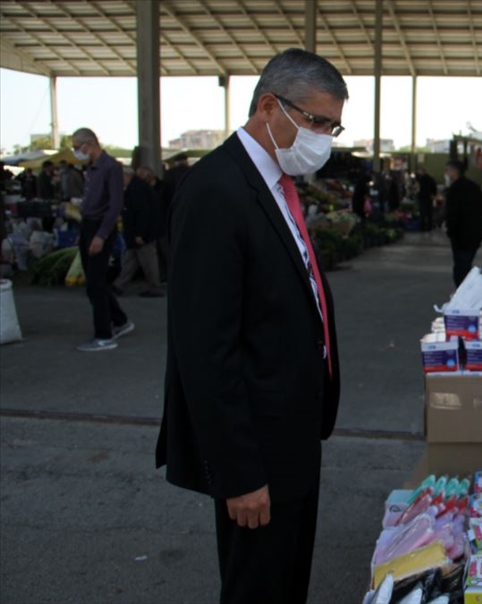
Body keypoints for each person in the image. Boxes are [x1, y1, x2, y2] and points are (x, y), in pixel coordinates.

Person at [156, 48, 345, 604]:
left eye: (332, 126)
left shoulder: (273, 184)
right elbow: (204, 349)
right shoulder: (217, 190)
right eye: (315, 121)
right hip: (255, 450)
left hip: (292, 432)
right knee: (257, 588)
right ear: (269, 106)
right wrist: (238, 473)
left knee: (286, 582)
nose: (324, 138)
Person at [72, 127, 134, 352]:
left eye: (77, 147)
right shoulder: (92, 168)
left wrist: (101, 235)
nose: (76, 152)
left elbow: (115, 204)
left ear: (89, 143)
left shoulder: (110, 167)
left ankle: (104, 335)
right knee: (93, 281)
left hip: (100, 227)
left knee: (96, 284)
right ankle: (120, 320)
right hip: (89, 224)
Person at [112, 166, 164, 298]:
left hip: (140, 233)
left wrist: (140, 233)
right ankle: (119, 285)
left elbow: (142, 212)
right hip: (137, 233)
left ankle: (154, 286)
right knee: (132, 259)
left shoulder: (136, 189)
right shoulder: (136, 188)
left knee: (147, 261)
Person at [444, 159, 482, 287]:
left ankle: (462, 296)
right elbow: (481, 212)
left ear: (454, 171)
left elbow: (452, 214)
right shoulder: (474, 187)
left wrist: (450, 231)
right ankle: (466, 293)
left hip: (460, 236)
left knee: (460, 269)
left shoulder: (454, 190)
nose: (446, 173)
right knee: (466, 266)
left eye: (448, 170)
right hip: (474, 235)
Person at [160, 152, 190, 220]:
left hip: (173, 202)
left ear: (176, 163)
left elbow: (165, 190)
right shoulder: (192, 171)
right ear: (186, 161)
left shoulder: (169, 173)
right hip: (189, 202)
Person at [416, 166, 437, 232]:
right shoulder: (431, 179)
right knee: (429, 213)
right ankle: (429, 227)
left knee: (422, 213)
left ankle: (422, 227)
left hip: (422, 198)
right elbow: (434, 188)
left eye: (420, 171)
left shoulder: (420, 180)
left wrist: (417, 194)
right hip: (429, 198)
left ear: (422, 171)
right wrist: (434, 195)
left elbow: (417, 189)